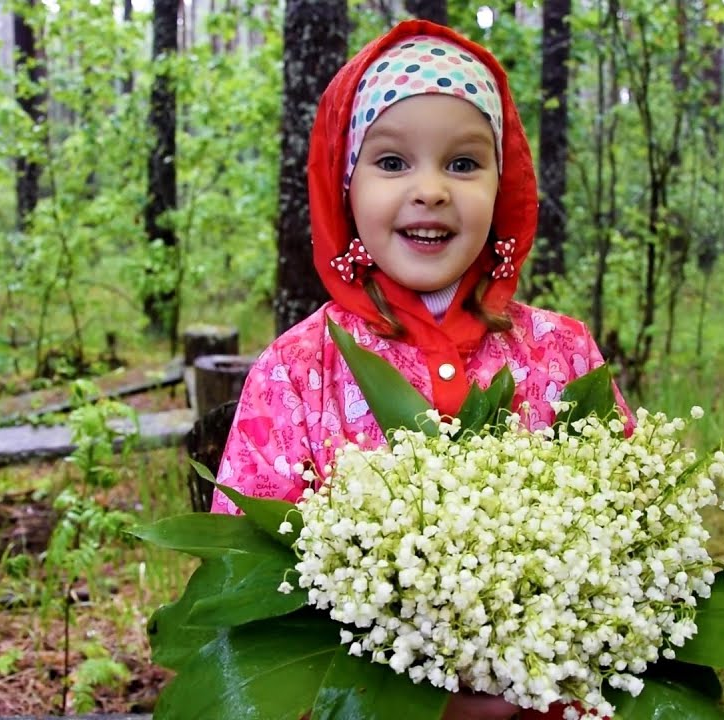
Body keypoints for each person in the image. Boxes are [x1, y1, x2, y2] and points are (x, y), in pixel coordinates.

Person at [212, 20, 627, 720]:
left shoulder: (562, 354)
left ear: (506, 187)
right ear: (344, 186)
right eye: (393, 162)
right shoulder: (296, 371)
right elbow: (245, 586)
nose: (431, 190)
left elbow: (630, 544)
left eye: (463, 164)